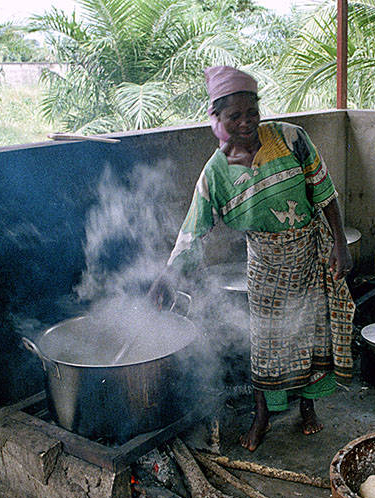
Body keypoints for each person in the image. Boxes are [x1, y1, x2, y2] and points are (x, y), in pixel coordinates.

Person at [151, 65, 354, 451]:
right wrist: (167, 276)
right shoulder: (215, 174)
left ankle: (308, 408)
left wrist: (339, 245)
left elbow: (324, 191)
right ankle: (262, 416)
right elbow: (193, 231)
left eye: (252, 112)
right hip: (263, 263)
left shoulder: (292, 138)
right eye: (235, 116)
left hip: (310, 253)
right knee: (267, 344)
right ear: (217, 119)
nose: (247, 123)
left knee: (311, 334)